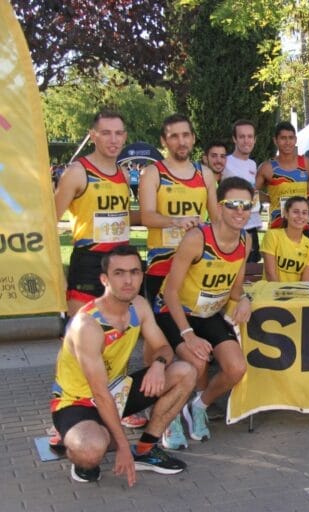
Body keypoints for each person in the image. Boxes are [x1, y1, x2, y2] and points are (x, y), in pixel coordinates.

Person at [50, 246, 195, 485]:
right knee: (91, 449)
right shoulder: (87, 325)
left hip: (116, 392)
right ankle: (77, 442)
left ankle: (146, 449)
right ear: (104, 279)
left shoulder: (138, 305)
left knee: (185, 372)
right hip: (77, 401)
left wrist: (158, 366)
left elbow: (163, 348)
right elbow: (99, 393)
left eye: (134, 272)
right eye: (119, 273)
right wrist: (122, 447)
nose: (128, 280)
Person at [153, 177, 253, 448]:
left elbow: (235, 292)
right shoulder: (197, 239)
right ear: (219, 208)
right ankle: (167, 416)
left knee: (236, 368)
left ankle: (198, 406)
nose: (239, 211)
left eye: (246, 205)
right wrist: (187, 335)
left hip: (208, 315)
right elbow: (171, 292)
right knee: (196, 362)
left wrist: (245, 299)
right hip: (173, 312)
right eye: (232, 204)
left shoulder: (246, 240)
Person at [54, 109, 132, 317]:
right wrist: (58, 274)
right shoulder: (76, 172)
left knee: (116, 332)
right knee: (79, 332)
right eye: (106, 133)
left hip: (122, 260)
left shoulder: (123, 174)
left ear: (125, 136)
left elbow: (123, 217)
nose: (113, 139)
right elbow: (48, 224)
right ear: (93, 135)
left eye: (118, 133)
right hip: (89, 261)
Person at [139, 113, 219, 306]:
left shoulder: (205, 174)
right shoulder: (153, 173)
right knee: (159, 331)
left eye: (185, 135)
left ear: (193, 138)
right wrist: (176, 221)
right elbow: (147, 217)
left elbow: (216, 220)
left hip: (195, 265)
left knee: (193, 326)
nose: (181, 141)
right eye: (174, 136)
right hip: (161, 265)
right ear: (163, 141)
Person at [256, 121, 309, 238]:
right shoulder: (267, 167)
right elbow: (252, 193)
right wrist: (270, 198)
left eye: (291, 138)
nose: (287, 142)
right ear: (275, 140)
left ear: (295, 140)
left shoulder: (306, 163)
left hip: (303, 227)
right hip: (278, 226)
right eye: (283, 138)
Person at [223, 119, 263, 262]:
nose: (246, 141)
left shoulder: (252, 164)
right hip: (232, 229)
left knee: (251, 277)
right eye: (242, 137)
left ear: (255, 139)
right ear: (234, 139)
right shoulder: (224, 162)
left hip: (251, 227)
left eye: (250, 136)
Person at [261, 196, 309, 282]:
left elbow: (306, 280)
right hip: (271, 292)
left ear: (308, 217)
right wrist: (282, 294)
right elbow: (270, 274)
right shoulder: (272, 236)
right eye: (295, 212)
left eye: (304, 213)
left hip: (296, 293)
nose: (300, 216)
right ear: (286, 214)